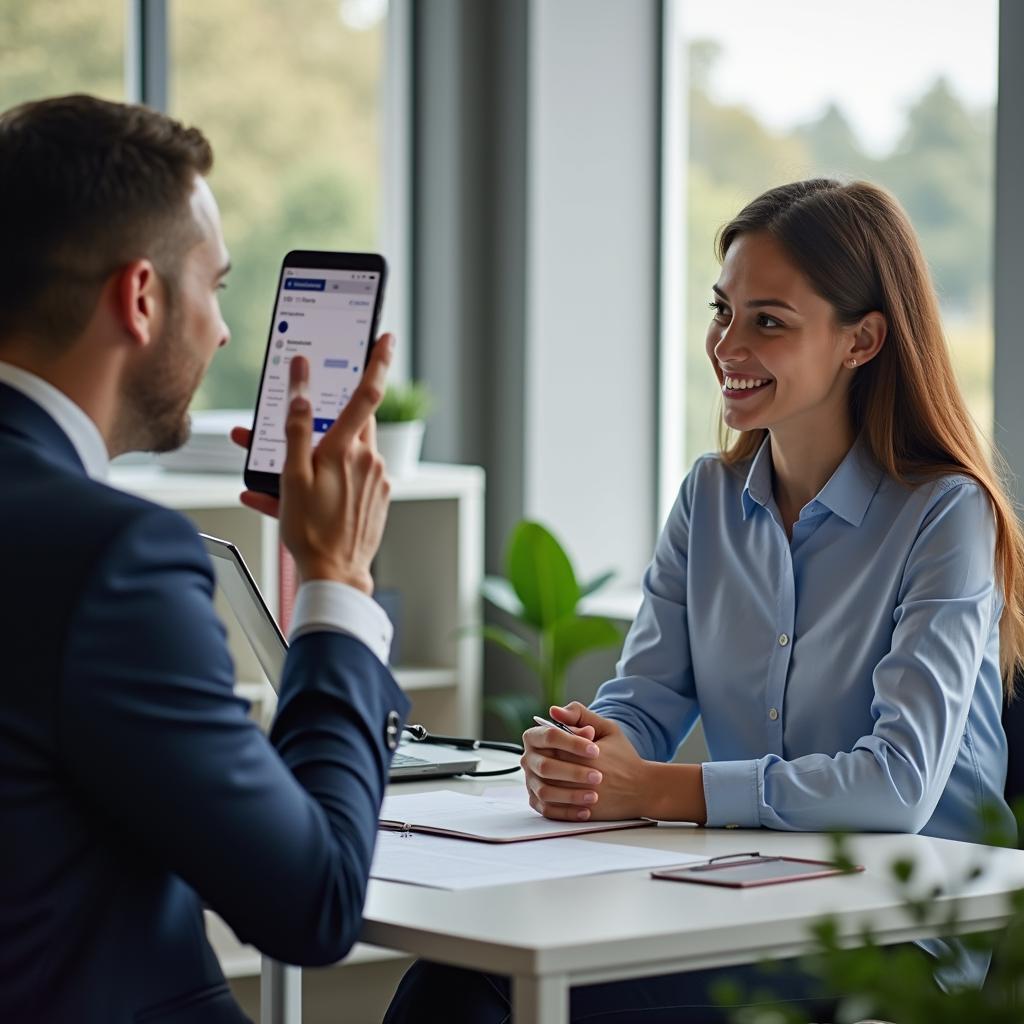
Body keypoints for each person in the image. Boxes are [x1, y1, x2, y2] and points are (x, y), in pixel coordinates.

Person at [384, 178, 1022, 1022]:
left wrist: (654, 789)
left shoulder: (944, 513)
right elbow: (641, 704)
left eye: (769, 321)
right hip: (742, 899)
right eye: (722, 311)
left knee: (483, 995)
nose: (727, 344)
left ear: (861, 340)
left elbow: (898, 783)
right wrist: (581, 757)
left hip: (895, 941)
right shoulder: (709, 500)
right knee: (456, 979)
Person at [0, 94, 407, 1023]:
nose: (224, 330)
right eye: (215, 286)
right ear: (140, 299)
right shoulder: (114, 558)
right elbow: (312, 905)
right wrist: (337, 584)